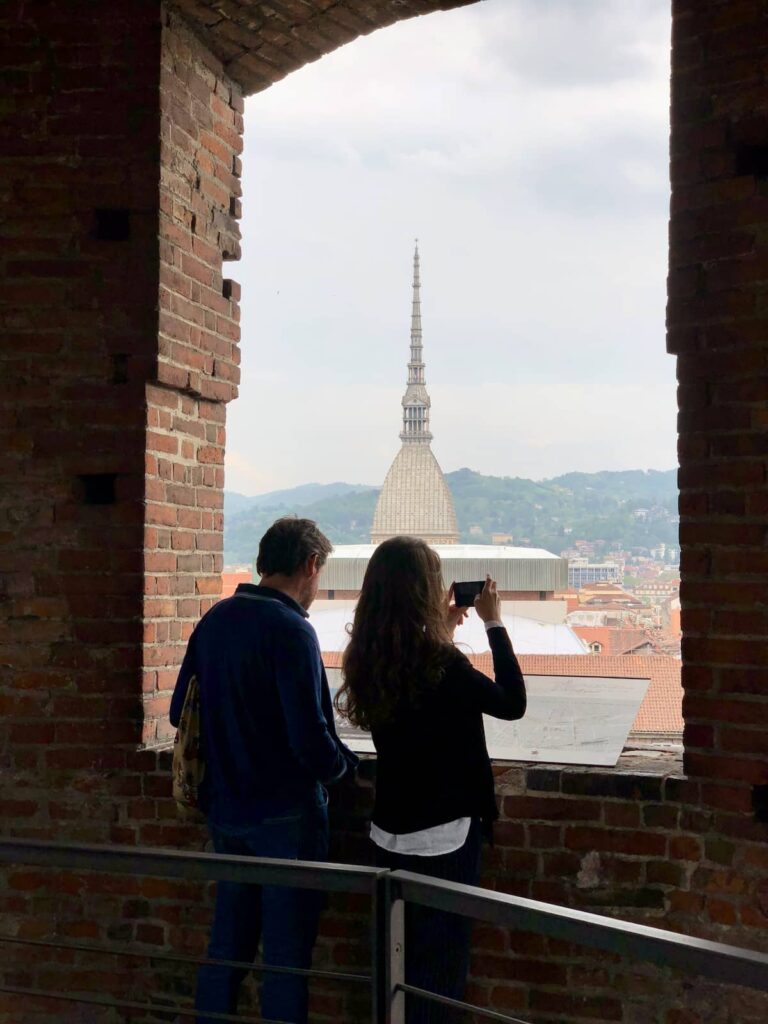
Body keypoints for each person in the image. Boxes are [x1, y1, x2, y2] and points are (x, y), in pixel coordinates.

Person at [170, 517, 358, 1024]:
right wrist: (346, 770)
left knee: (225, 948)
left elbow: (177, 712)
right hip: (286, 816)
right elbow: (311, 740)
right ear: (311, 565)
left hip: (226, 808)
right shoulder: (292, 630)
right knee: (285, 960)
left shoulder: (217, 619)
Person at [334, 536, 527, 1023]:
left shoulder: (368, 657)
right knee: (439, 973)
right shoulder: (442, 663)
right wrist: (493, 622)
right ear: (426, 590)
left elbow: (416, 691)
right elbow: (511, 701)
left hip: (391, 829)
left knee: (396, 965)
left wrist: (439, 632)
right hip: (444, 836)